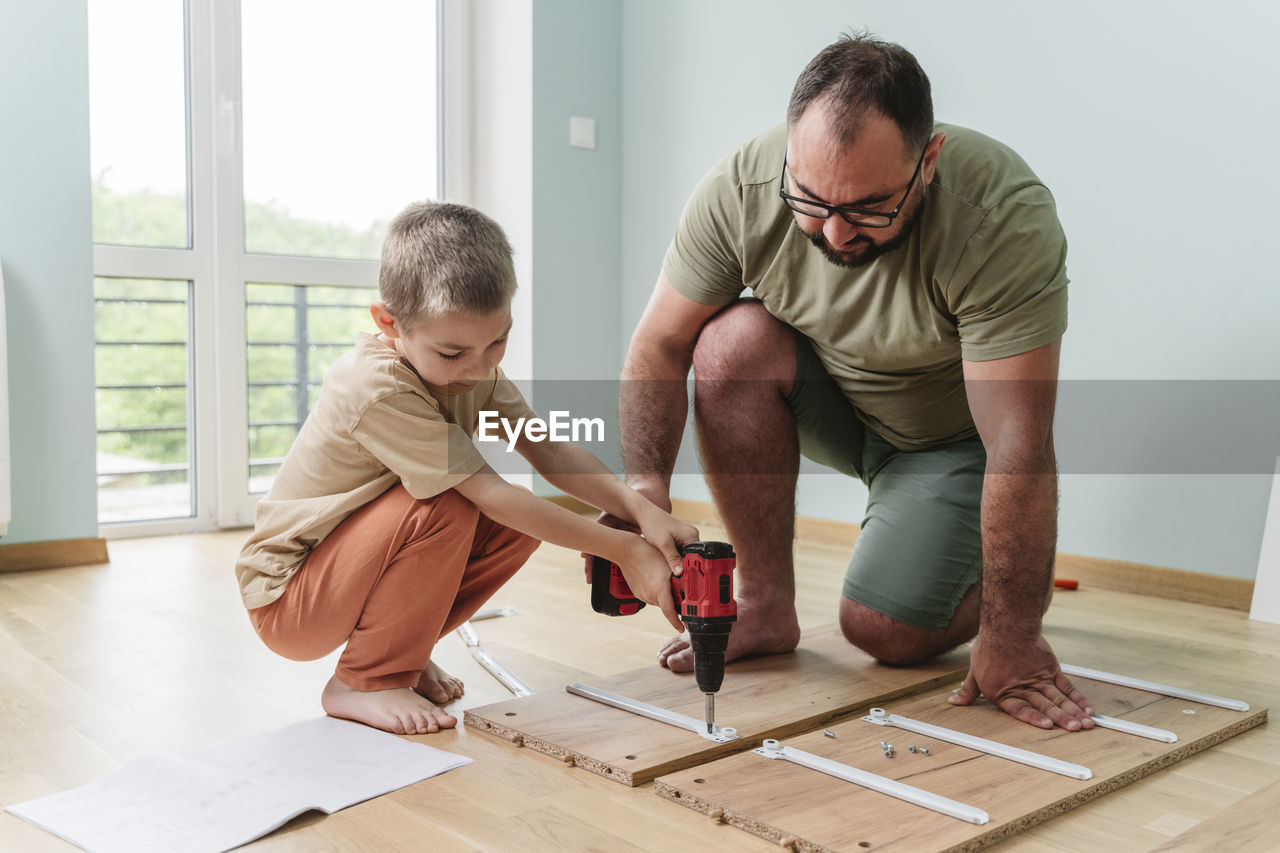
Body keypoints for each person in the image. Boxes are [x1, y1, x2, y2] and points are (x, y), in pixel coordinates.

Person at [613, 32, 1095, 732]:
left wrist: (1013, 635)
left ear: (927, 163)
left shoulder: (1000, 216)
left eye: (869, 207)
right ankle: (765, 603)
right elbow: (660, 342)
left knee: (881, 631)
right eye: (811, 200)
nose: (836, 234)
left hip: (956, 446)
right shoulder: (741, 191)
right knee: (729, 341)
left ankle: (995, 574)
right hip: (842, 410)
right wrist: (645, 486)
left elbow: (1020, 440)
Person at [237, 201, 698, 736]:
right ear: (390, 322)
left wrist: (644, 514)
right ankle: (364, 680)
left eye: (497, 341)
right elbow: (488, 492)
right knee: (453, 503)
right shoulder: (375, 385)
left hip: (352, 569)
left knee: (519, 524)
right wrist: (622, 549)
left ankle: (399, 653)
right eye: (453, 353)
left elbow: (549, 451)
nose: (480, 368)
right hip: (290, 599)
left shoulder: (473, 370)